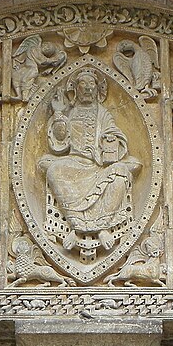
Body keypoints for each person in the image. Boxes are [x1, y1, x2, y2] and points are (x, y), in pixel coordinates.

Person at [38, 69, 141, 253]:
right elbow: (59, 142)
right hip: (74, 164)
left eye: (91, 84)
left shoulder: (103, 113)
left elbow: (114, 134)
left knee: (125, 170)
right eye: (82, 84)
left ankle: (102, 227)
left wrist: (108, 143)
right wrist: (59, 114)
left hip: (98, 165)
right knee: (51, 168)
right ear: (75, 89)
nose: (87, 88)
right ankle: (75, 225)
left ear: (97, 89)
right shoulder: (70, 111)